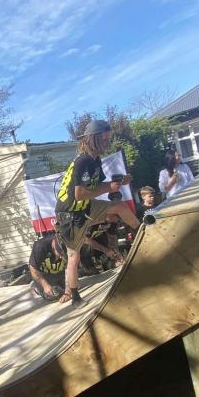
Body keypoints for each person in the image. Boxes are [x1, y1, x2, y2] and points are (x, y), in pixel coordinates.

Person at [55, 119, 140, 307]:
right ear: (92, 139)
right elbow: (79, 194)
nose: (106, 143)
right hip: (69, 215)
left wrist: (118, 183)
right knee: (73, 256)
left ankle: (143, 233)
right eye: (103, 139)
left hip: (86, 207)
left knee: (120, 206)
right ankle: (75, 297)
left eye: (108, 139)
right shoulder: (83, 160)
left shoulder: (95, 160)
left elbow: (98, 186)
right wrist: (109, 187)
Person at [29, 233, 68, 301]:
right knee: (53, 295)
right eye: (60, 254)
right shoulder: (40, 247)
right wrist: (45, 285)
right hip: (45, 275)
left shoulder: (69, 242)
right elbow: (33, 269)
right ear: (53, 246)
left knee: (74, 287)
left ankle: (57, 284)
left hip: (60, 272)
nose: (61, 257)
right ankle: (37, 287)